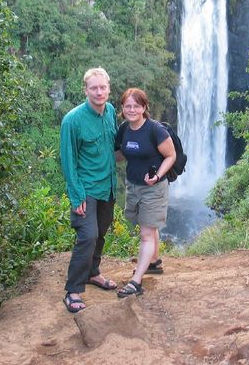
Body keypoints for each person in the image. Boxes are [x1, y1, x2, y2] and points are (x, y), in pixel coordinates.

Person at [60, 67, 118, 313]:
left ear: (108, 88)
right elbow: (68, 159)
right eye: (93, 88)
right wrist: (76, 195)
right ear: (85, 90)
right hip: (86, 188)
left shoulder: (112, 111)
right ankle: (73, 290)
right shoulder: (72, 120)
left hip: (108, 185)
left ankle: (93, 273)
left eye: (102, 87)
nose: (98, 92)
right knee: (87, 236)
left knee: (101, 232)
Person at [115, 88, 176, 297]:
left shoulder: (155, 130)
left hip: (154, 188)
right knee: (148, 227)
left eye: (136, 106)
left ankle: (136, 282)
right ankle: (154, 262)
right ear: (122, 108)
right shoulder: (124, 129)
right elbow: (120, 154)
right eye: (128, 106)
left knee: (146, 234)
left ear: (144, 107)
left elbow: (171, 155)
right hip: (133, 186)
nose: (132, 109)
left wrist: (157, 176)